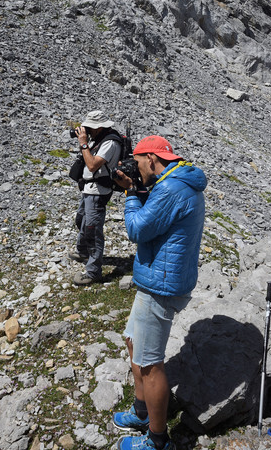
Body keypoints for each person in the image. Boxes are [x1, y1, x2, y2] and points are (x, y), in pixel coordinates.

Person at [112, 135, 207, 450]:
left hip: (160, 285)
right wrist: (139, 189)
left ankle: (157, 440)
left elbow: (137, 229)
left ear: (151, 158)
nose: (139, 169)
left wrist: (129, 191)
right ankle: (142, 412)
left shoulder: (170, 188)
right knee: (133, 340)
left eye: (139, 163)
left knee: (151, 364)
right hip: (161, 277)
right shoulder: (178, 181)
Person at [69, 110, 121, 286]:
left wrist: (83, 143)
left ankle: (93, 272)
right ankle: (83, 251)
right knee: (81, 220)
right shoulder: (99, 138)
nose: (87, 130)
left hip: (98, 192)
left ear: (99, 127)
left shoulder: (110, 143)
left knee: (92, 230)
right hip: (89, 189)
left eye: (90, 127)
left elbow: (92, 165)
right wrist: (86, 143)